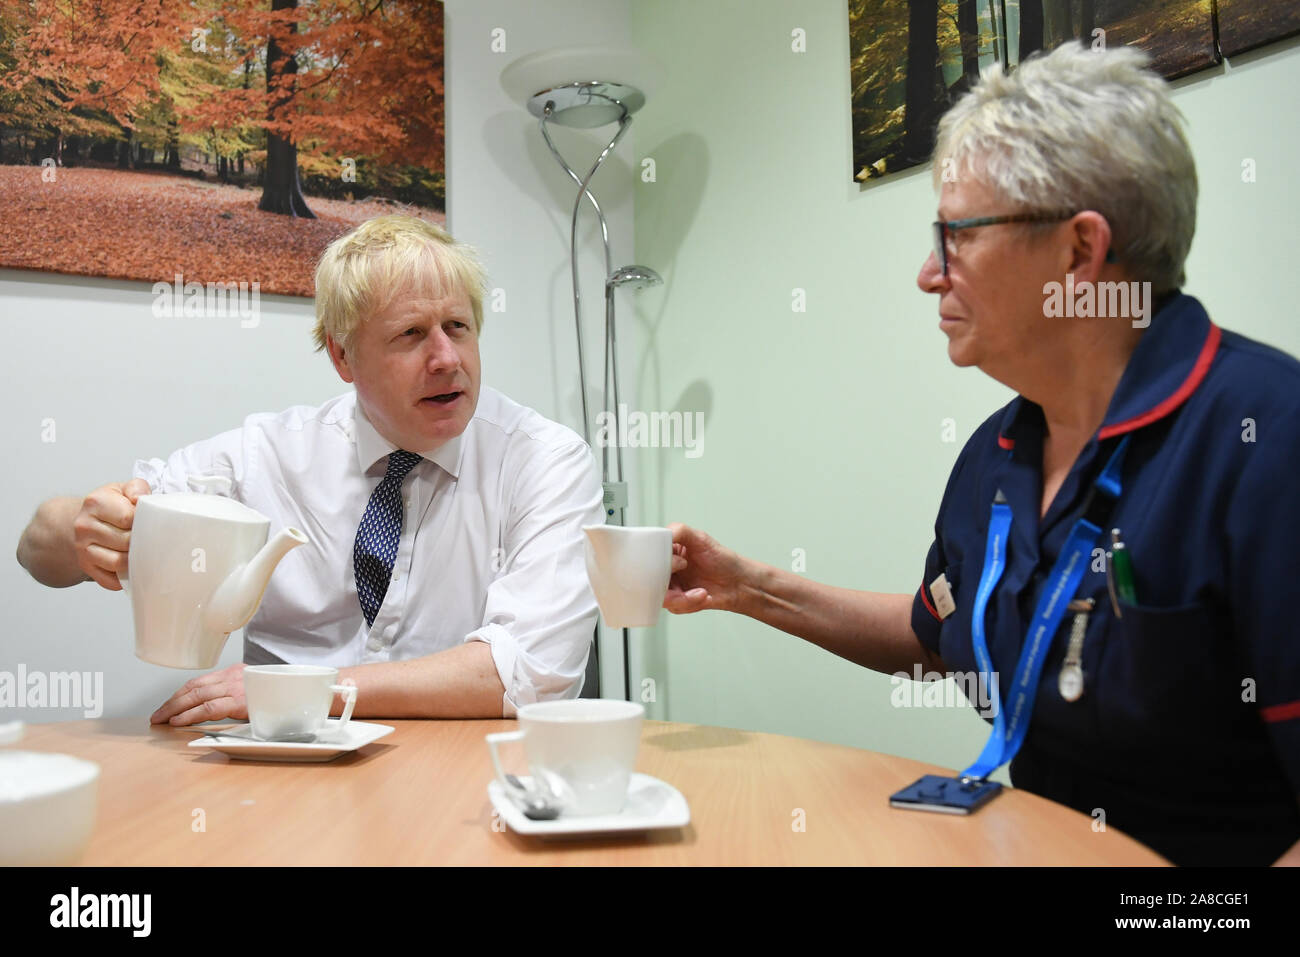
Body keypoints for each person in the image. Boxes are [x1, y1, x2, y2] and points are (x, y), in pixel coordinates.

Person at [664, 43, 1299, 867]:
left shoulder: (1267, 442)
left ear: (1079, 253)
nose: (930, 273)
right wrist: (748, 586)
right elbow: (935, 636)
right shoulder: (998, 454)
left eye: (955, 234)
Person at [16, 215, 603, 723]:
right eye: (410, 335)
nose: (447, 359)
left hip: (469, 773)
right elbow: (36, 551)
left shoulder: (544, 460)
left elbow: (532, 672)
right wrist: (81, 532)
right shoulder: (265, 457)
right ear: (343, 356)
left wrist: (306, 688)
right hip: (287, 769)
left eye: (458, 327)